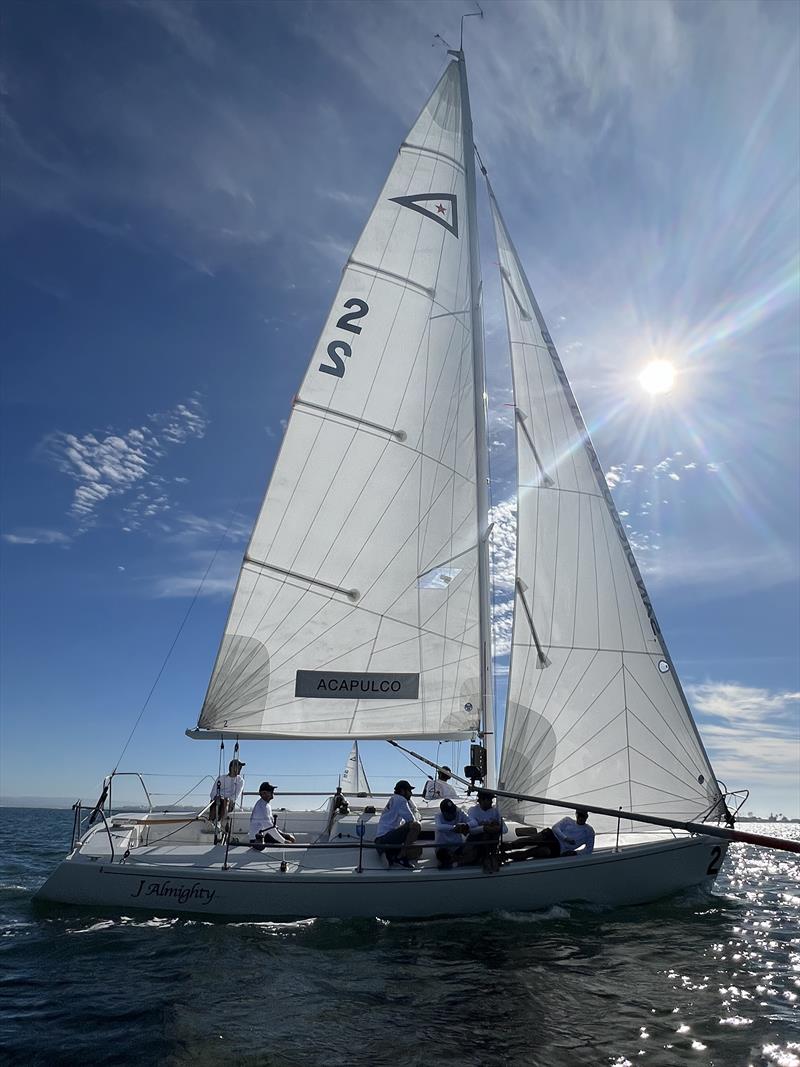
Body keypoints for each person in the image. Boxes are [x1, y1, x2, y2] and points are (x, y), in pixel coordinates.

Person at [507, 808, 595, 861]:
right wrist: (565, 838)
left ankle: (507, 856)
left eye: (582, 816)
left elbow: (589, 850)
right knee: (529, 841)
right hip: (550, 835)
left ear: (586, 817)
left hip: (559, 848)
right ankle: (506, 847)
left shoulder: (589, 831)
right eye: (579, 815)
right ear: (576, 815)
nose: (580, 818)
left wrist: (575, 853)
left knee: (533, 852)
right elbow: (555, 828)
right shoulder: (568, 820)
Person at [374, 780, 421, 869]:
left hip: (381, 840)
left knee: (418, 850)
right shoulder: (400, 799)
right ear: (403, 791)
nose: (411, 794)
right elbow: (411, 820)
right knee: (416, 825)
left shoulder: (394, 799)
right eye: (409, 791)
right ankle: (401, 857)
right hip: (385, 839)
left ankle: (391, 855)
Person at [465, 789, 508, 872]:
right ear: (482, 800)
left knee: (493, 833)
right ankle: (486, 858)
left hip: (490, 844)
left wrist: (497, 827)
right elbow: (471, 830)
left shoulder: (495, 811)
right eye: (490, 800)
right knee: (485, 833)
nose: (492, 802)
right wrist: (484, 828)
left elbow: (505, 829)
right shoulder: (472, 810)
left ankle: (490, 857)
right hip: (475, 844)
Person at [249, 782, 296, 848]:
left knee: (291, 838)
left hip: (266, 835)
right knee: (289, 842)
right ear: (263, 793)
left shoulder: (266, 804)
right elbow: (269, 827)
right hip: (257, 839)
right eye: (270, 791)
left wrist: (284, 835)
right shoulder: (261, 808)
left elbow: (272, 827)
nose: (273, 792)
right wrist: (283, 841)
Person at [208, 759, 245, 828]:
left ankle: (219, 821)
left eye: (240, 767)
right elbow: (213, 792)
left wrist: (225, 799)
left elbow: (235, 796)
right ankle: (210, 821)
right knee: (216, 800)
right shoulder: (221, 778)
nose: (240, 769)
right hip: (218, 800)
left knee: (226, 800)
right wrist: (216, 797)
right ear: (231, 767)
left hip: (229, 802)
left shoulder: (240, 781)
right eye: (238, 767)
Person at [434, 798, 470, 868]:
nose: (453, 814)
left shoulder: (459, 813)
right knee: (443, 855)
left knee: (470, 851)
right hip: (442, 848)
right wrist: (454, 828)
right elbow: (439, 827)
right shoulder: (438, 816)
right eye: (449, 812)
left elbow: (473, 822)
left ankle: (453, 860)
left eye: (453, 811)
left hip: (457, 846)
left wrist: (466, 825)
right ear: (443, 812)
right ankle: (455, 860)